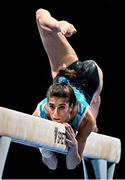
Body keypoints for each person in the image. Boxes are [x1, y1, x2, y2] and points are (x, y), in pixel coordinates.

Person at [33, 8, 103, 174]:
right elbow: (53, 165)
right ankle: (59, 25)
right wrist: (44, 149)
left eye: (61, 108)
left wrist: (73, 148)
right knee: (39, 14)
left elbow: (72, 163)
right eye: (52, 106)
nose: (54, 113)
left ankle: (95, 102)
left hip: (90, 78)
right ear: (47, 104)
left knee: (94, 107)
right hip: (67, 74)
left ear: (71, 107)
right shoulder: (41, 113)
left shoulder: (85, 119)